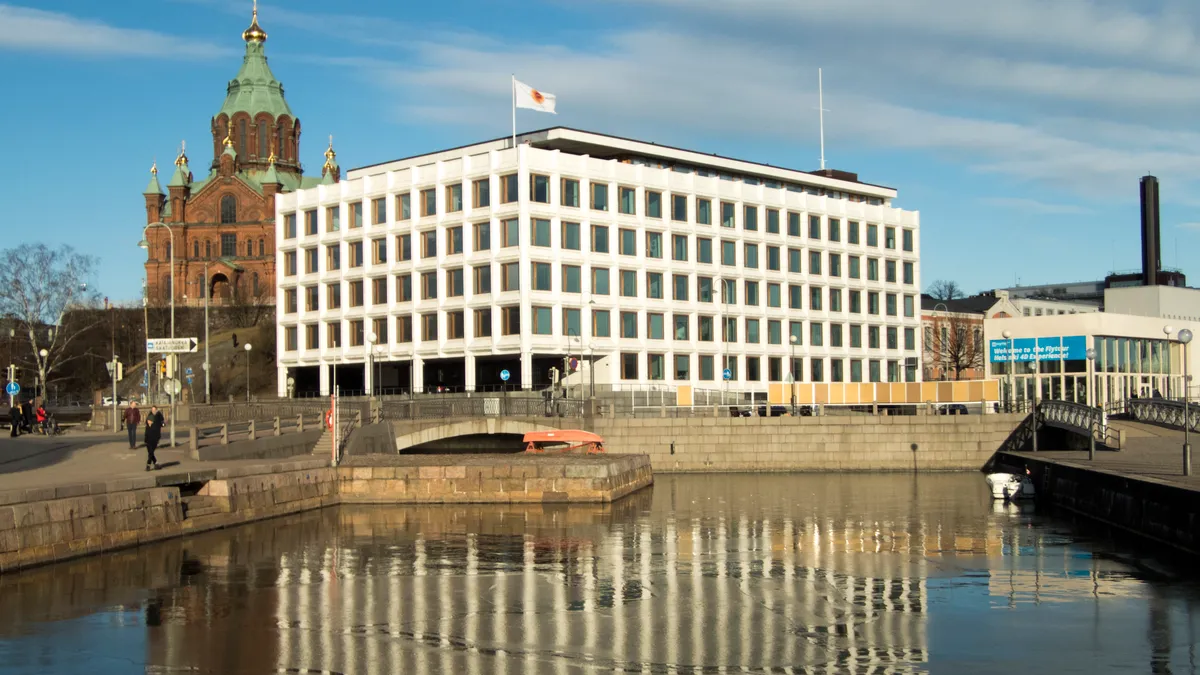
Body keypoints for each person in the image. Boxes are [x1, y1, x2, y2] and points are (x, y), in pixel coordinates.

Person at [143, 405, 164, 471]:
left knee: (151, 452)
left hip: (155, 437)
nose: (153, 411)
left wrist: (162, 424)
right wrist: (145, 438)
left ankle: (148, 465)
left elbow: (162, 423)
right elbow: (146, 427)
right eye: (152, 410)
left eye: (154, 410)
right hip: (148, 437)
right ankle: (156, 464)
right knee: (150, 452)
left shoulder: (158, 417)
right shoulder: (149, 418)